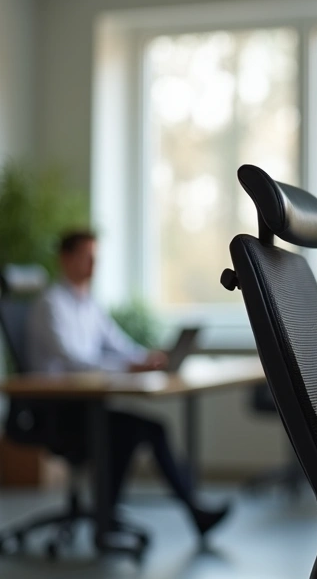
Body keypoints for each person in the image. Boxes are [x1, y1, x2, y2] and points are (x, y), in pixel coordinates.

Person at [26, 230, 230, 537]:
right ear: (65, 259)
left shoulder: (89, 305)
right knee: (136, 430)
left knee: (137, 430)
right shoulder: (51, 305)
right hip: (57, 412)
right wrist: (128, 365)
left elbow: (118, 344)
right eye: (87, 257)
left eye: (96, 258)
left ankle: (107, 515)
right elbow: (74, 361)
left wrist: (147, 357)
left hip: (90, 405)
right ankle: (176, 512)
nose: (94, 265)